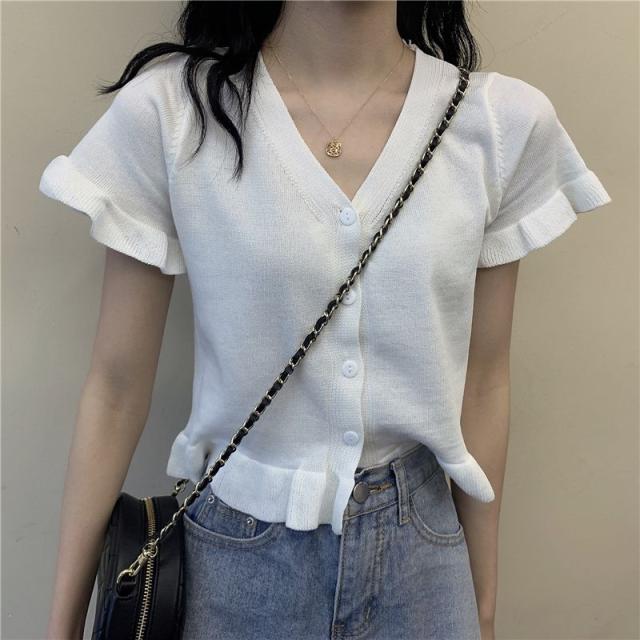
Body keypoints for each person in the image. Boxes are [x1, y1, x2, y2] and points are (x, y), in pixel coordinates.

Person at [38, 2, 612, 639]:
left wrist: (481, 604)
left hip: (424, 564)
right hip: (234, 567)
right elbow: (115, 390)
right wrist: (64, 624)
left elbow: (483, 383)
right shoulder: (174, 113)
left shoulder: (499, 124)